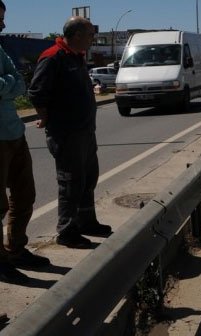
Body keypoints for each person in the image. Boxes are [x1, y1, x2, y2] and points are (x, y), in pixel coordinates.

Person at [28, 16, 112, 249]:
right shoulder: (53, 57)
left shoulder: (76, 56)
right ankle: (67, 231)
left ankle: (87, 222)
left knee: (88, 179)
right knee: (70, 184)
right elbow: (36, 92)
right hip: (66, 134)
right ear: (76, 36)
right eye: (89, 35)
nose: (92, 40)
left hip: (85, 132)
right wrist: (44, 116)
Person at [0, 0, 50, 285]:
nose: (3, 25)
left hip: (14, 132)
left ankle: (15, 249)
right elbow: (12, 84)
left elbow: (19, 82)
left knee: (25, 195)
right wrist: (8, 84)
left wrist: (5, 85)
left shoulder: (0, 49)